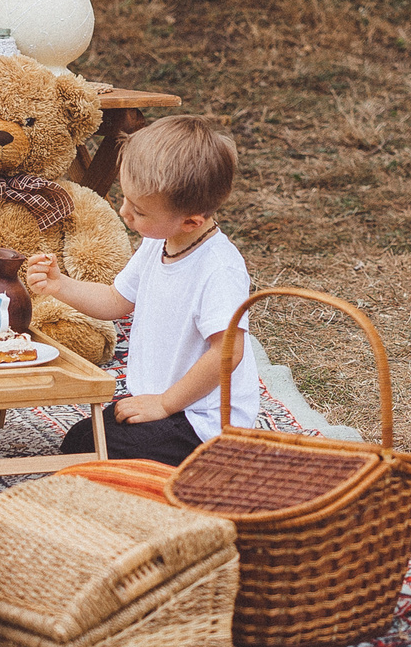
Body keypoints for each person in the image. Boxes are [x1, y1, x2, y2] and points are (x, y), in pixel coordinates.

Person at [21, 117, 256, 467]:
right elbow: (116, 301)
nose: (124, 212)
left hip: (206, 423)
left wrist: (164, 403)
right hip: (166, 405)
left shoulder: (218, 268)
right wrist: (60, 285)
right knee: (81, 439)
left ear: (192, 221)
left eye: (139, 210)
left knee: (99, 451)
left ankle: (212, 469)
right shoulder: (158, 242)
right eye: (125, 198)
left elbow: (227, 353)